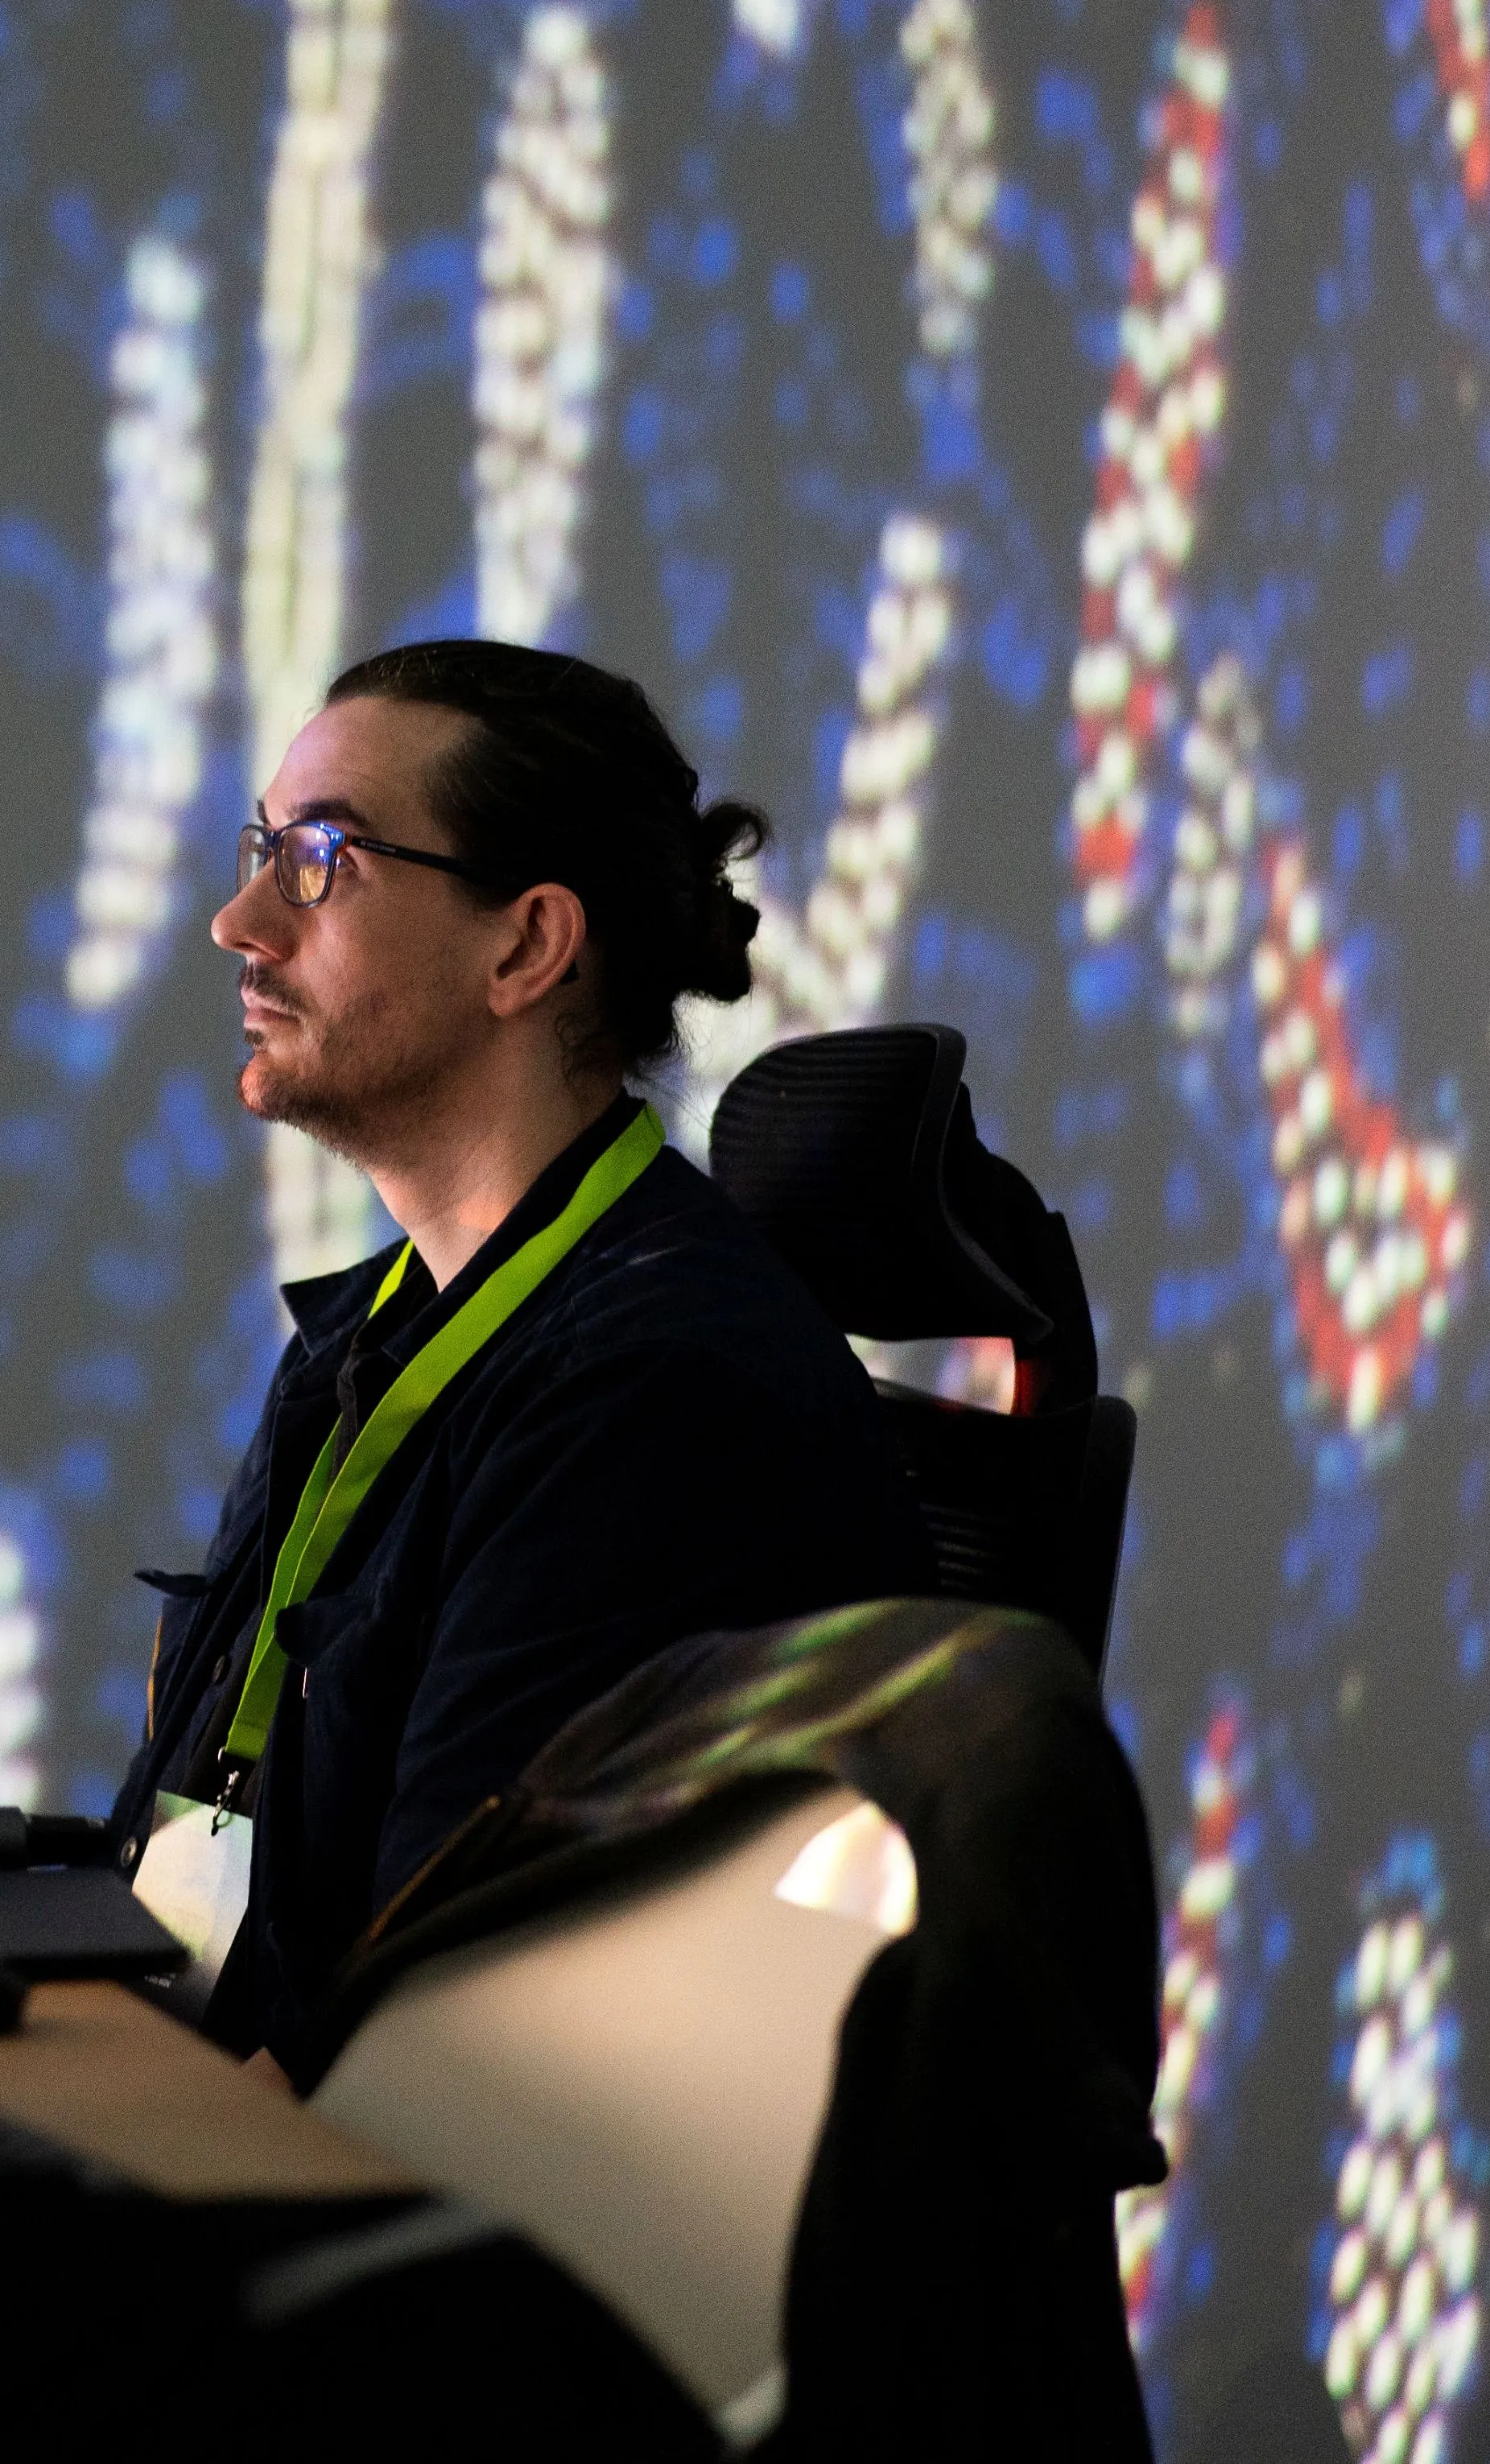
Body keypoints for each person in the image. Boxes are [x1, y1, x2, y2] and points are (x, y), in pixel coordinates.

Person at [114, 641, 930, 2085]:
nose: (240, 920)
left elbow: (432, 2038)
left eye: (321, 859)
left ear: (525, 948)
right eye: (263, 847)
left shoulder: (655, 1396)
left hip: (371, 2199)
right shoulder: (376, 1333)